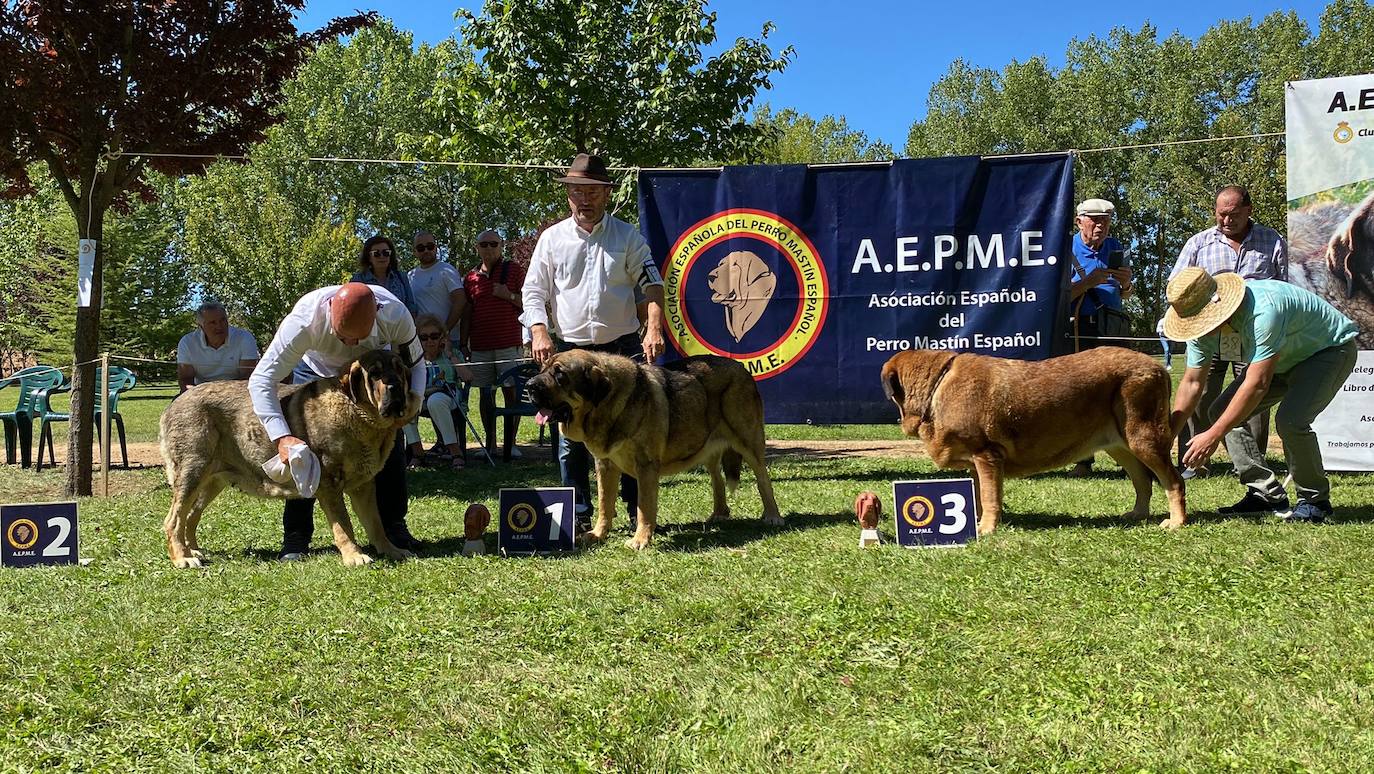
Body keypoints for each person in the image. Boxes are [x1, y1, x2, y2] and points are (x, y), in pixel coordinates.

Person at [521, 153, 666, 527]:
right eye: (576, 191)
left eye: (592, 191)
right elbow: (533, 290)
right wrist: (538, 329)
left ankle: (638, 514)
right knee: (570, 437)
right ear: (567, 194)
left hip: (622, 351)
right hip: (569, 353)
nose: (584, 199)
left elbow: (653, 284)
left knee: (631, 433)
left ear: (606, 194)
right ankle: (576, 514)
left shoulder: (628, 236)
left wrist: (654, 327)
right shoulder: (551, 240)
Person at [1164, 267, 1358, 521]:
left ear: (1218, 309)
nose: (1198, 328)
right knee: (1220, 412)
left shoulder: (1264, 310)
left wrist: (1212, 434)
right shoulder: (1198, 328)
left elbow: (1257, 384)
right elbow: (1191, 383)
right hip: (1280, 361)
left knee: (1291, 421)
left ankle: (1315, 501)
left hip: (1327, 352)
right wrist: (1168, 435)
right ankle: (1265, 493)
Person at [249, 281, 425, 560]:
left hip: (371, 376)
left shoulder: (395, 312)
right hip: (316, 372)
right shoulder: (303, 322)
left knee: (389, 446)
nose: (351, 345)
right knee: (305, 454)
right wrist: (282, 436)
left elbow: (416, 364)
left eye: (359, 338)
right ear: (330, 313)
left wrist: (414, 405)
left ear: (377, 313)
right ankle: (296, 538)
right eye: (344, 338)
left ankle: (394, 530)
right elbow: (261, 381)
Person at [1169, 185, 1288, 479]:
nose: (1226, 221)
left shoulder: (1271, 240)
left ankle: (1248, 463)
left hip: (1253, 331)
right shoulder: (1198, 243)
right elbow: (1176, 283)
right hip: (1208, 329)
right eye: (1221, 214)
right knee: (1201, 393)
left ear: (1249, 210)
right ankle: (1192, 462)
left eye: (1233, 214)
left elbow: (1285, 284)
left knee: (1253, 397)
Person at [1066, 197, 1133, 476]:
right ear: (1079, 221)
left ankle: (1127, 455)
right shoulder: (1066, 248)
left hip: (1112, 325)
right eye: (1094, 219)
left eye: (1105, 220)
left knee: (1120, 390)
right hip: (1081, 327)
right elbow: (1058, 297)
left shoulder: (1115, 247)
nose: (1100, 225)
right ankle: (1083, 460)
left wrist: (1126, 282)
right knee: (1082, 393)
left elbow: (1126, 293)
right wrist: (1087, 282)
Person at [462, 229, 527, 460]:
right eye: (484, 244)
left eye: (493, 244)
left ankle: (511, 444)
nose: (488, 248)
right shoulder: (470, 278)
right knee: (485, 394)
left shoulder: (514, 270)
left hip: (509, 344)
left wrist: (508, 295)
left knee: (511, 393)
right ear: (477, 248)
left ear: (501, 247)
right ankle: (490, 445)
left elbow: (529, 305)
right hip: (480, 346)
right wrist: (463, 342)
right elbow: (467, 313)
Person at [403, 314, 473, 470]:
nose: (429, 341)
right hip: (422, 398)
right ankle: (417, 453)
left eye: (434, 336)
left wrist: (450, 355)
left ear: (442, 337)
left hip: (449, 396)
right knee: (404, 405)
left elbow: (468, 377)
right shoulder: (414, 358)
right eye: (424, 337)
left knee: (436, 400)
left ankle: (455, 452)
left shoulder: (452, 354)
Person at [176, 300, 259, 393]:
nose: (219, 326)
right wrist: (199, 396)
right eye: (213, 322)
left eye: (222, 320)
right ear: (201, 326)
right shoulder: (187, 342)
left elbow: (247, 376)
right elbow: (185, 379)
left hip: (237, 392)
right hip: (200, 394)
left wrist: (223, 395)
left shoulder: (244, 338)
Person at [407, 230, 467, 347]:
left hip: (449, 340)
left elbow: (460, 300)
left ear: (436, 248)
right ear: (414, 251)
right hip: (423, 342)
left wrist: (444, 330)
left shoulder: (446, 270)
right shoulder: (410, 276)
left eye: (430, 246)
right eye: (420, 248)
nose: (426, 251)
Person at [352, 234, 417, 317]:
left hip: (400, 328)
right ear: (369, 257)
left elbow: (411, 307)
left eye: (386, 253)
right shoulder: (358, 280)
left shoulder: (402, 277)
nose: (382, 256)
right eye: (376, 254)